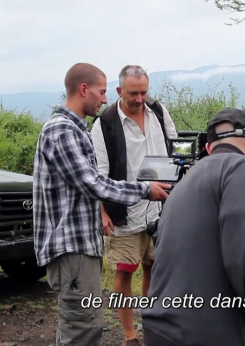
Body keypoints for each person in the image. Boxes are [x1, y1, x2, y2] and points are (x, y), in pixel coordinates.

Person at [32, 62, 171, 346]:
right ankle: (132, 334)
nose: (105, 98)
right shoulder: (64, 131)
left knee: (84, 324)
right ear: (84, 90)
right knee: (83, 326)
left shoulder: (74, 128)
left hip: (82, 244)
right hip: (72, 246)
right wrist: (145, 189)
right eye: (102, 91)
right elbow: (94, 183)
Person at [142, 108, 245, 346]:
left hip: (159, 328)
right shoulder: (243, 167)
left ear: (208, 148)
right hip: (201, 334)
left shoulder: (186, 181)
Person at [90, 64, 178, 346]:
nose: (139, 99)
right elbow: (97, 174)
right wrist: (102, 211)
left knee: (156, 266)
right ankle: (129, 334)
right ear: (119, 91)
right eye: (132, 94)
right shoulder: (105, 123)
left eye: (143, 92)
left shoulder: (159, 112)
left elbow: (176, 149)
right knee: (124, 269)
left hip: (161, 206)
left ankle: (152, 324)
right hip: (124, 210)